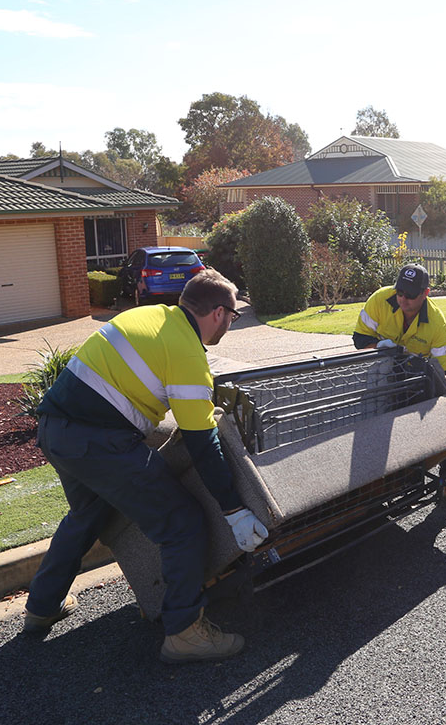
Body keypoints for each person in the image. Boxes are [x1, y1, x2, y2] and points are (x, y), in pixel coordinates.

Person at [22, 269, 269, 664]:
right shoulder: (186, 350)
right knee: (182, 522)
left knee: (89, 512)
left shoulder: (148, 317)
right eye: (234, 316)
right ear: (219, 313)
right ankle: (185, 632)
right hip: (99, 442)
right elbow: (201, 442)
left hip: (56, 431)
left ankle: (42, 606)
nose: (231, 323)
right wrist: (234, 509)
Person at [352, 263, 446, 510]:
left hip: (421, 378)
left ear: (426, 293)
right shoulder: (379, 300)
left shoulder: (436, 323)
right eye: (399, 293)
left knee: (443, 425)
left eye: (410, 295)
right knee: (380, 428)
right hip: (383, 375)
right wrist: (380, 347)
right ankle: (383, 487)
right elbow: (359, 339)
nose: (402, 299)